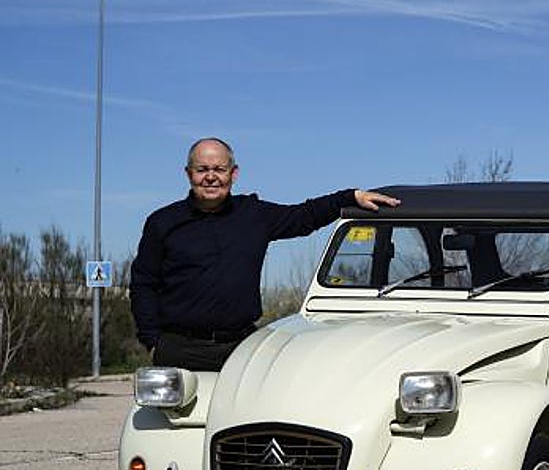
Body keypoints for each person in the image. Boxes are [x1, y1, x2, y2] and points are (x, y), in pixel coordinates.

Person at [130, 137, 399, 371]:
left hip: (240, 347)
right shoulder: (162, 222)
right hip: (179, 349)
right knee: (172, 429)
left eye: (219, 169)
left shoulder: (254, 215)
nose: (210, 176)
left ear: (233, 174)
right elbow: (143, 284)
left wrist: (349, 197)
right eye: (202, 169)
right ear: (188, 174)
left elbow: (304, 216)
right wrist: (152, 342)